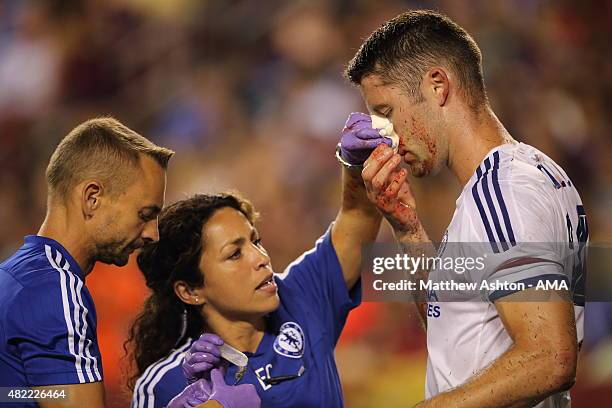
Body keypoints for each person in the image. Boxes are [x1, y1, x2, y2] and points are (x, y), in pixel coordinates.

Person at [345, 10, 586, 408]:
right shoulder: (503, 183)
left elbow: (551, 358)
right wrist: (408, 230)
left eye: (386, 112)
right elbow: (454, 327)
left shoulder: (506, 190)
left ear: (438, 86)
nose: (384, 136)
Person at [127, 122, 388, 407]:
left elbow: (358, 217)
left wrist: (354, 165)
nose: (260, 258)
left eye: (256, 241)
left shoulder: (300, 298)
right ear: (190, 291)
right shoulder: (169, 385)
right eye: (234, 254)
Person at [0, 117, 174, 407]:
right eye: (145, 214)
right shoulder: (56, 291)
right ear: (92, 198)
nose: (153, 234)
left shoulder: (13, 275)